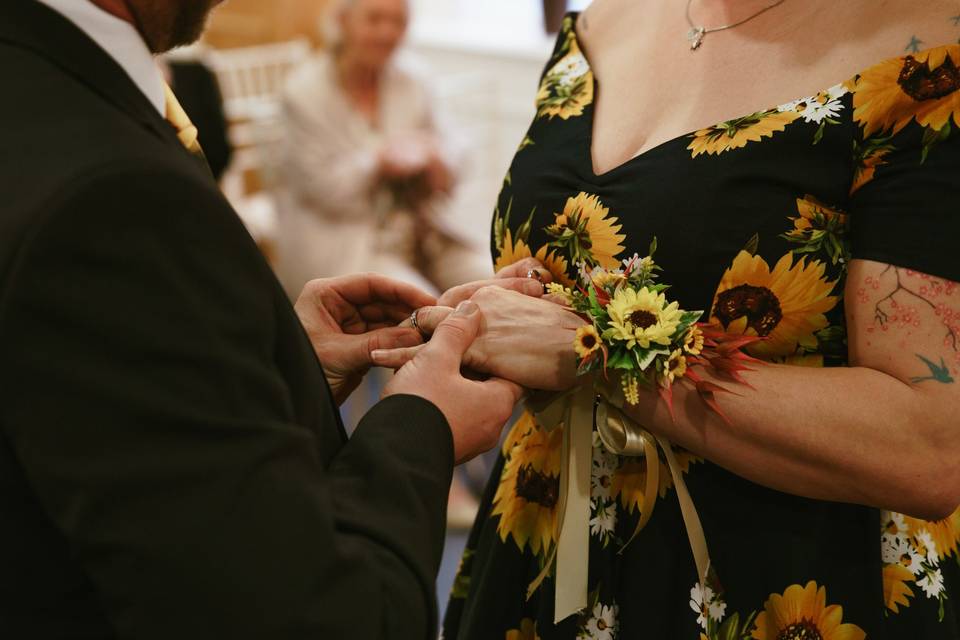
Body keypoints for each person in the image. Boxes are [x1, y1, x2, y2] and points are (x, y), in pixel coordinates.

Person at [373, 0, 960, 638]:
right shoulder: (601, 20)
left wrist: (596, 351)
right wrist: (501, 313)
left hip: (769, 575)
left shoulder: (929, 59)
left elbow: (927, 447)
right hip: (548, 529)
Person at [0, 0, 541, 636]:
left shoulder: (39, 80)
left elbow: (103, 403)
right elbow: (314, 615)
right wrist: (420, 423)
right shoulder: (116, 196)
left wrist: (282, 360)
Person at [274, 0, 492, 299]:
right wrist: (379, 161)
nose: (387, 33)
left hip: (427, 233)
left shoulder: (414, 78)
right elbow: (324, 189)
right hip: (349, 241)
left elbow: (455, 150)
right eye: (374, 20)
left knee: (494, 281)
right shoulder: (303, 92)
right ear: (342, 21)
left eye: (398, 22)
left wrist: (438, 159)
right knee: (425, 307)